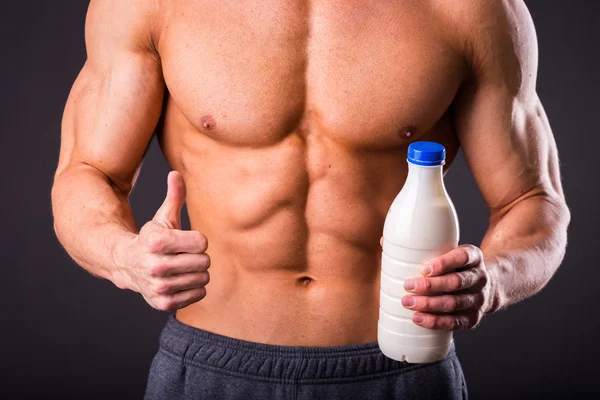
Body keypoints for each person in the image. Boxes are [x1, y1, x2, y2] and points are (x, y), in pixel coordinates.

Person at [51, 0, 570, 399]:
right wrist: (125, 257)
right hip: (213, 369)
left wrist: (494, 281)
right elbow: (86, 173)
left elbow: (532, 199)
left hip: (401, 369)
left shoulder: (467, 9)